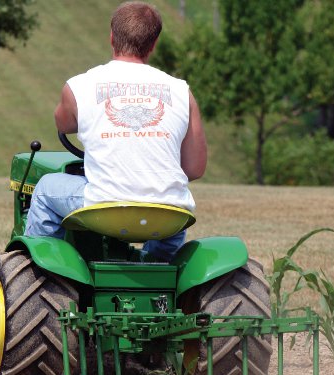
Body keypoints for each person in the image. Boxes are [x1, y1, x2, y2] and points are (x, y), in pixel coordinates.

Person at [25, 1, 207, 262]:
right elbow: (195, 169)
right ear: (154, 44)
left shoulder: (78, 86)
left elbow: (62, 124)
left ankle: (43, 272)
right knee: (172, 218)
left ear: (111, 37)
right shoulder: (182, 92)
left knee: (44, 190)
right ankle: (155, 271)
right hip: (168, 212)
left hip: (104, 205)